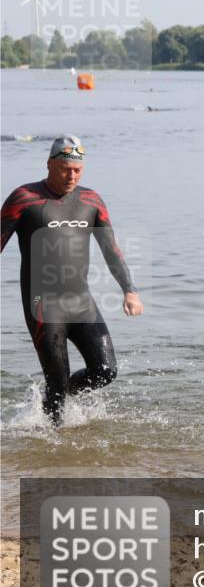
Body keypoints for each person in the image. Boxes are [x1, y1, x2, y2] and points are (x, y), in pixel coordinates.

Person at [1, 136, 144, 426]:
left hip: (82, 301)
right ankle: (53, 442)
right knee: (56, 380)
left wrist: (130, 290)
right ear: (49, 164)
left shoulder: (91, 200)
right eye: (65, 168)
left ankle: (58, 402)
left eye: (78, 170)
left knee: (105, 371)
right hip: (43, 305)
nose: (72, 175)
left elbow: (110, 248)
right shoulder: (24, 199)